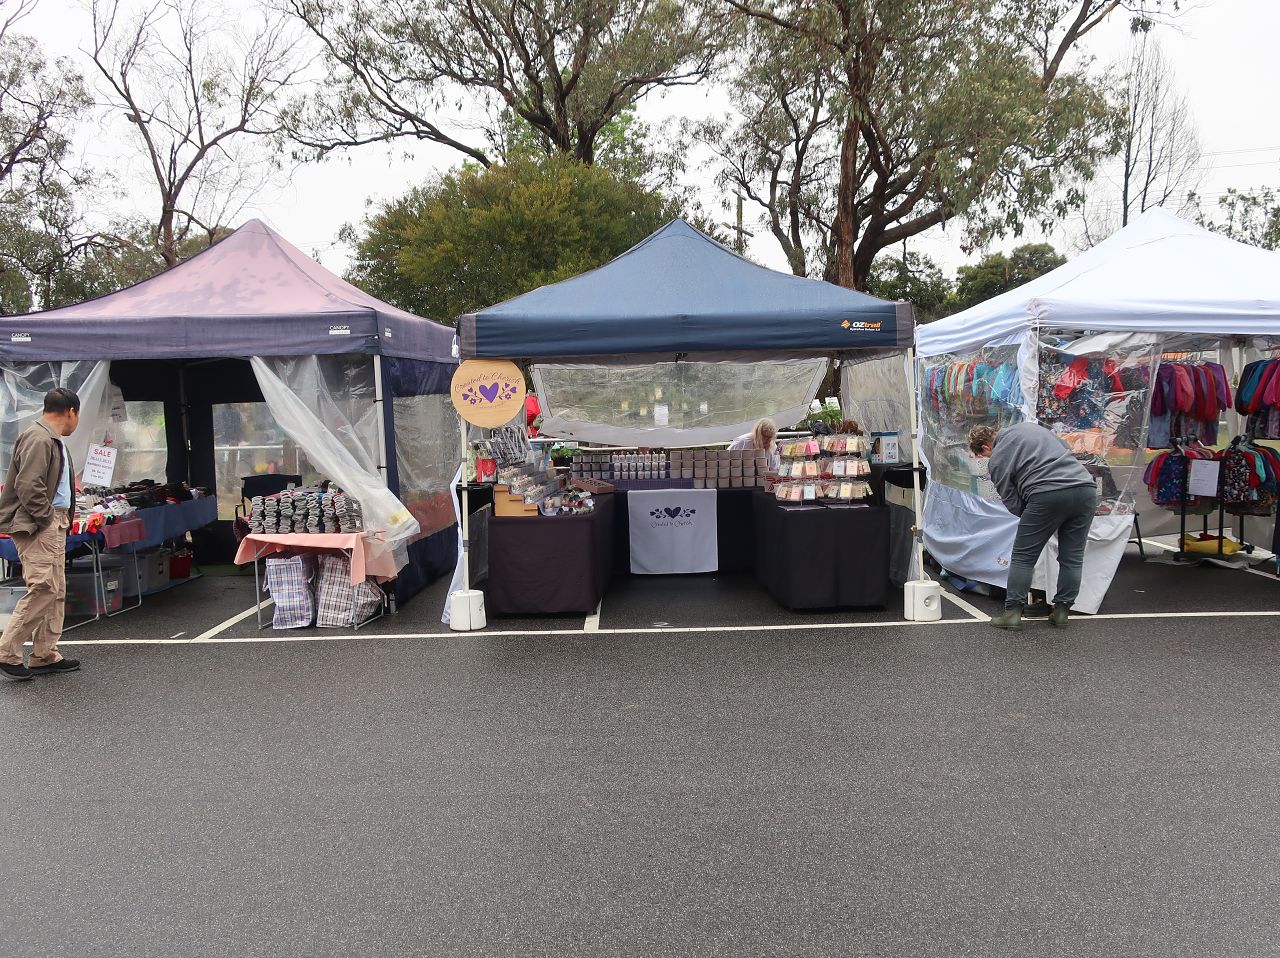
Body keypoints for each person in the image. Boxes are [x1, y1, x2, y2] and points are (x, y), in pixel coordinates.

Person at [969, 421, 1097, 631]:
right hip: (1085, 488)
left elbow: (1010, 498)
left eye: (984, 456)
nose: (987, 459)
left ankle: (1012, 614)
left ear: (985, 447)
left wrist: (1031, 515)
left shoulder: (997, 458)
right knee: (1072, 557)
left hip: (1046, 493)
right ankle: (1062, 612)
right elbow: (1065, 447)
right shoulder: (1030, 428)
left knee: (1023, 557)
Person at [0, 388, 82, 679]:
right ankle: (7, 653)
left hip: (52, 521)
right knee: (44, 587)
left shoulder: (51, 438)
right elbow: (28, 485)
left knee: (55, 589)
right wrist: (46, 518)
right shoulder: (39, 437)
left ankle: (45, 654)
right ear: (71, 411)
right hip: (39, 523)